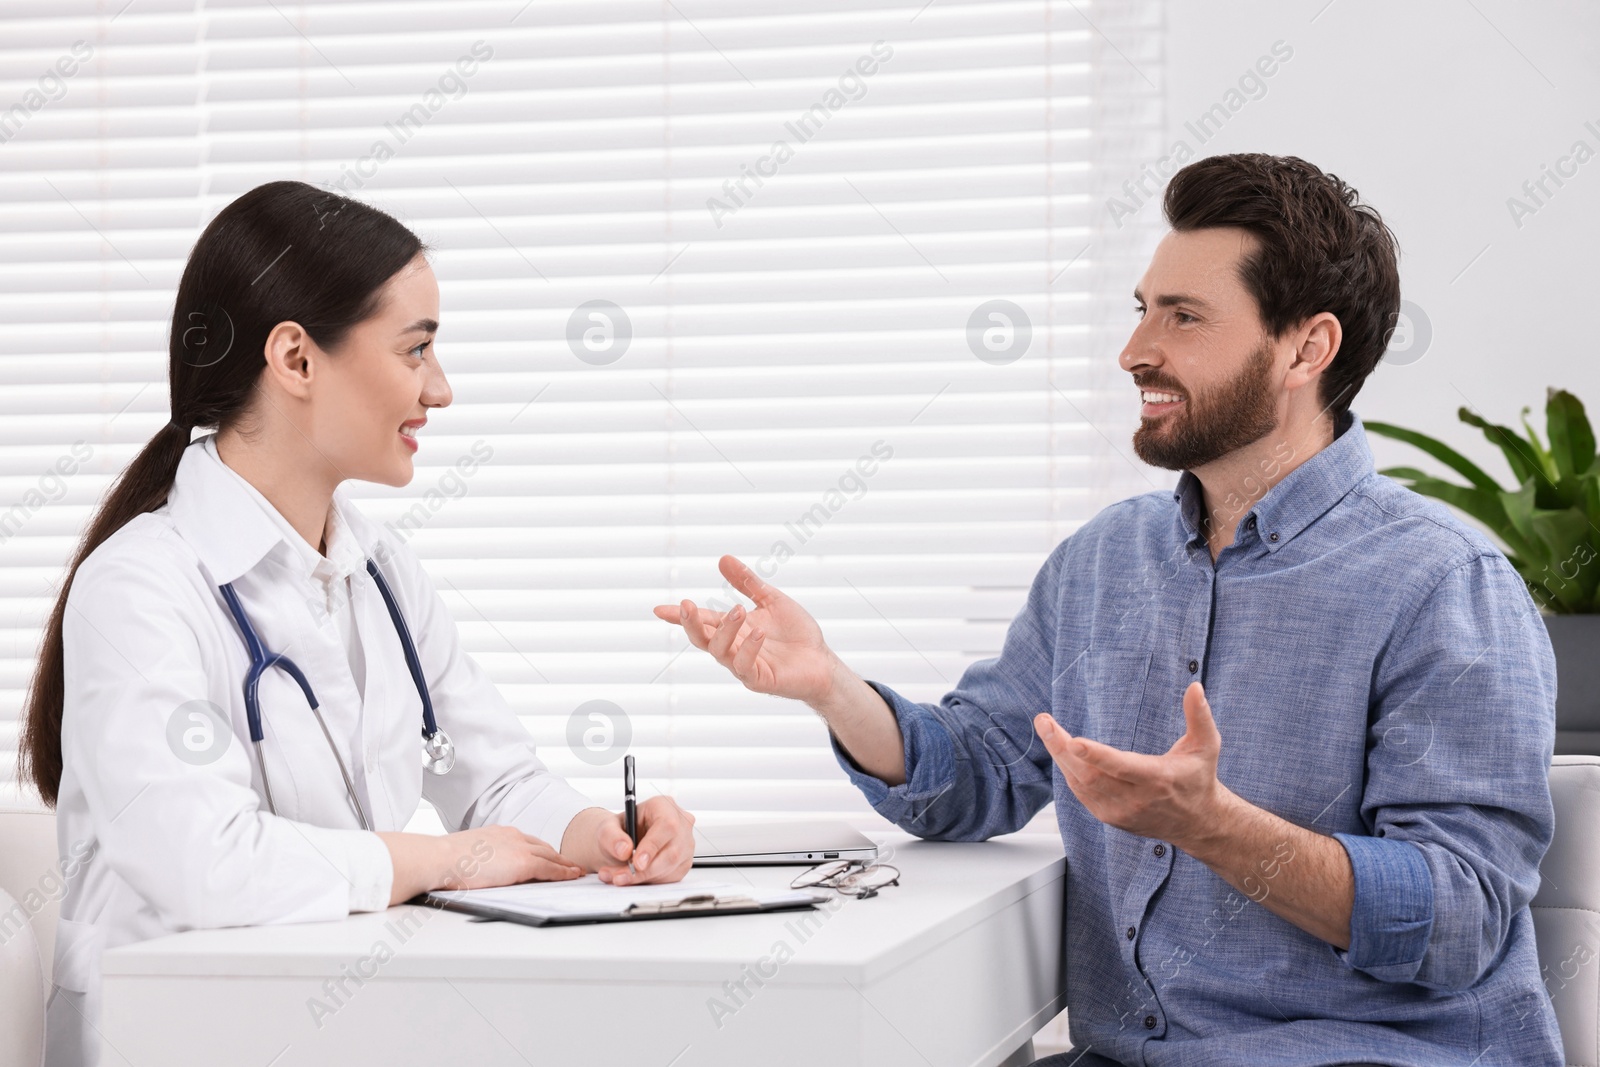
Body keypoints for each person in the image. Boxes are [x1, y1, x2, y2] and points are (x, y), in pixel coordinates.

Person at [655, 154, 1563, 1065]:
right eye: (1142, 309)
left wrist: (1215, 827)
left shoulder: (1445, 582)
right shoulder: (1102, 562)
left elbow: (1458, 917)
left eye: (1185, 316)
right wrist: (830, 687)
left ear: (1305, 348)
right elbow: (975, 774)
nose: (1135, 351)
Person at [17, 181, 697, 1067]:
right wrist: (440, 860)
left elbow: (493, 783)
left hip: (344, 1025)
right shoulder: (140, 587)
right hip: (176, 1038)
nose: (441, 390)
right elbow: (200, 861)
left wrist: (602, 834)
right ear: (296, 360)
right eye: (416, 352)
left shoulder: (378, 568)